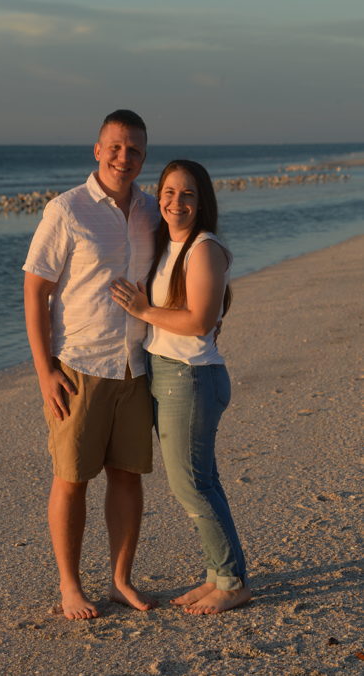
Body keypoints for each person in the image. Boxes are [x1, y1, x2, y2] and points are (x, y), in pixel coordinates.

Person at [23, 110, 160, 620]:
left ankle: (121, 580)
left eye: (135, 149)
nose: (125, 157)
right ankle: (70, 586)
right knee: (71, 478)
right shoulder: (67, 210)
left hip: (135, 367)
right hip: (79, 366)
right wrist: (45, 371)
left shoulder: (151, 210)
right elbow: (35, 291)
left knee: (127, 477)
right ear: (97, 150)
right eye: (116, 147)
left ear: (144, 156)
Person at [111, 159, 251, 614]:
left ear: (201, 201)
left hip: (189, 376)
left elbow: (200, 321)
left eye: (188, 193)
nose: (176, 201)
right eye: (169, 192)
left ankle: (231, 581)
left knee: (192, 485)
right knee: (203, 481)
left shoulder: (204, 248)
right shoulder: (169, 245)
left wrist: (142, 310)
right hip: (170, 373)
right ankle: (220, 575)